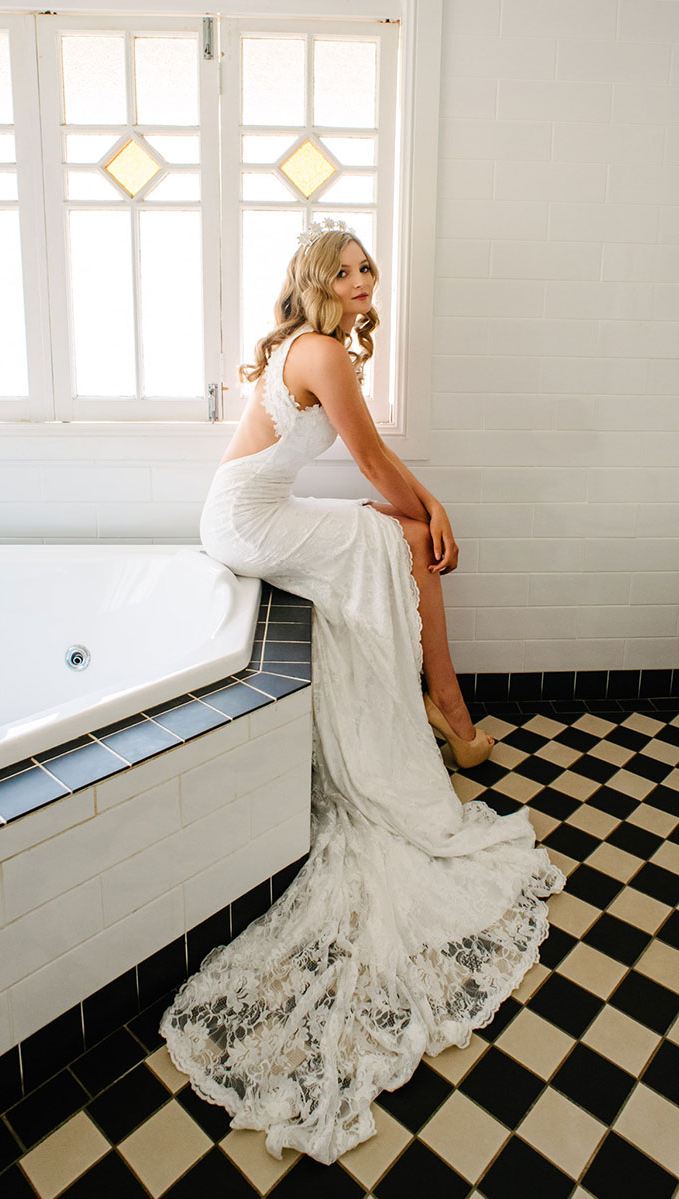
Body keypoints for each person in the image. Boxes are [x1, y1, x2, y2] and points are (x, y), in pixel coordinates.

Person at [159, 219, 565, 1165]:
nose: (359, 279)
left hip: (246, 513)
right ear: (316, 281)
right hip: (248, 523)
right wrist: (434, 510)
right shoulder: (322, 354)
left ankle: (443, 707)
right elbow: (375, 466)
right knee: (406, 534)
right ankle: (451, 713)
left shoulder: (316, 349)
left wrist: (417, 509)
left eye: (365, 267)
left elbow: (368, 471)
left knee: (398, 535)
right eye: (342, 270)